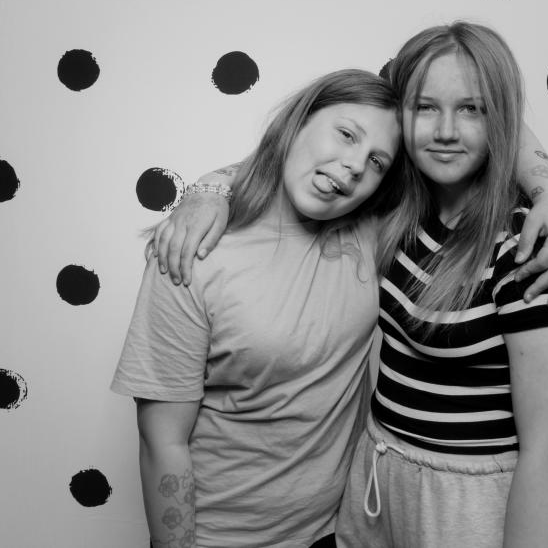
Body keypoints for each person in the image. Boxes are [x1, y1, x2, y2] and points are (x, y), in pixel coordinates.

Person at [153, 22, 548, 547]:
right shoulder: (393, 214)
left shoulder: (527, 246)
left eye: (473, 109)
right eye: (426, 108)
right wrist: (210, 188)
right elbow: (304, 153)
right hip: (370, 488)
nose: (447, 130)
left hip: (463, 505)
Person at [112, 69, 406, 548]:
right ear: (298, 121)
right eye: (346, 134)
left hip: (335, 532)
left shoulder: (371, 233)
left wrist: (546, 196)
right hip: (218, 539)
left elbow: (473, 129)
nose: (355, 165)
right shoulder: (192, 252)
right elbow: (162, 442)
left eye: (377, 161)